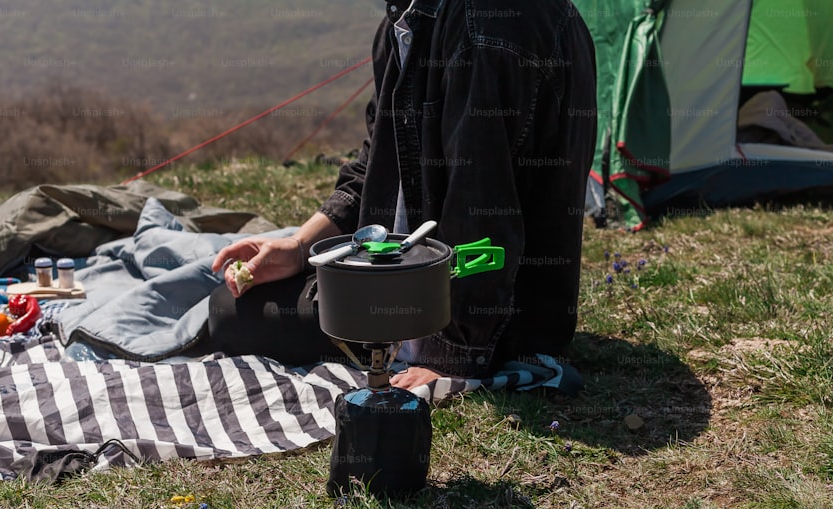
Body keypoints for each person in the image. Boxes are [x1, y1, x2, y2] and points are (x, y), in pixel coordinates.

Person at [210, 0, 597, 390]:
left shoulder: (486, 28)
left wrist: (451, 359)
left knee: (228, 313)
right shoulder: (415, 17)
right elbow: (376, 162)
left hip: (484, 324)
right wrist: (299, 246)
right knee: (235, 305)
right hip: (421, 280)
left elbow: (482, 211)